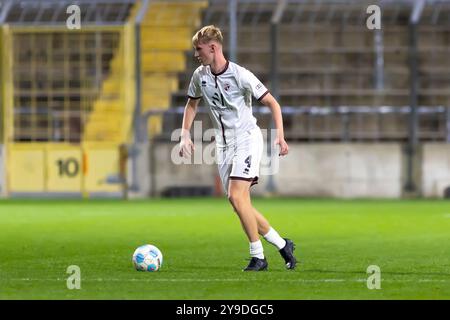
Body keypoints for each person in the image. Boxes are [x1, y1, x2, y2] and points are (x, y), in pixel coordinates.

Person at [179, 25, 297, 271]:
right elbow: (191, 104)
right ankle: (283, 244)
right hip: (223, 145)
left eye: (198, 49)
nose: (195, 54)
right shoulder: (199, 76)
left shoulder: (241, 75)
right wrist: (185, 134)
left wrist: (280, 137)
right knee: (240, 203)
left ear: (213, 48)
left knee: (235, 195)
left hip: (247, 139)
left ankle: (258, 257)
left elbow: (272, 103)